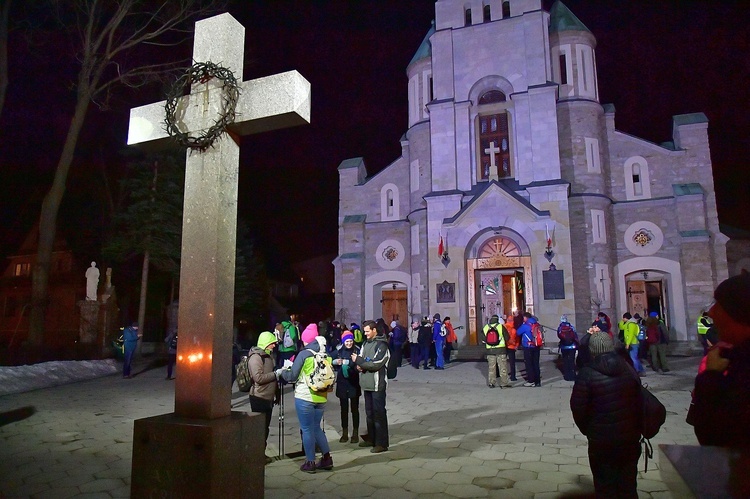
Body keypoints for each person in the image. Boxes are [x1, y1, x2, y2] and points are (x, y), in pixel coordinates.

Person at [570, 332, 642, 497]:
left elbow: (578, 407)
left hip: (601, 439)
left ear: (592, 350)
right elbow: (639, 401)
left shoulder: (587, 373)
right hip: (629, 437)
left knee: (604, 485)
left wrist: (589, 430)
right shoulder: (628, 368)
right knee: (628, 485)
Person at [692, 271, 750, 449]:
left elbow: (716, 434)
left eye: (719, 305)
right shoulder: (737, 357)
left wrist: (711, 377)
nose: (711, 312)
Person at [277, 323, 333, 473]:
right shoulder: (325, 354)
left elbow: (292, 376)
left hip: (305, 396)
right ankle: (327, 458)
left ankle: (310, 462)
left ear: (305, 339)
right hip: (321, 396)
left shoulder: (304, 354)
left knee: (307, 429)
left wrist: (282, 372)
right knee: (317, 428)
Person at [352, 320, 390, 453]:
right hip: (366, 384)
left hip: (377, 385)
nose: (365, 333)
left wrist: (359, 361)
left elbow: (376, 364)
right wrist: (358, 366)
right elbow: (361, 361)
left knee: (379, 414)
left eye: (368, 331)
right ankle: (371, 439)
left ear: (374, 330)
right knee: (369, 413)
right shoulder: (364, 344)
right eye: (365, 331)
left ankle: (381, 443)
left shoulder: (382, 345)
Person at [248, 331, 280, 458]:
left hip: (268, 397)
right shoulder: (256, 357)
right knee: (259, 429)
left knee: (265, 428)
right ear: (266, 343)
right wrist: (276, 374)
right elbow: (258, 378)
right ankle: (256, 454)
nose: (274, 346)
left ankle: (262, 453)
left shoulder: (269, 356)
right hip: (259, 397)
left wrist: (277, 393)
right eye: (272, 343)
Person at [333, 331, 361, 443]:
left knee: (355, 409)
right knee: (343, 410)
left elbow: (360, 363)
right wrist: (335, 361)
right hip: (342, 383)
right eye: (347, 341)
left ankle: (355, 433)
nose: (349, 343)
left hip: (353, 382)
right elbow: (329, 358)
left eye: (350, 341)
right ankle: (344, 433)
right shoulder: (339, 351)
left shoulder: (357, 350)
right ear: (343, 341)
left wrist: (348, 363)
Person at [482, 314, 511, 388]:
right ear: (497, 320)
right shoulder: (501, 327)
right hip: (501, 350)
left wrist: (489, 342)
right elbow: (507, 337)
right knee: (503, 367)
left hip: (490, 351)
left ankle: (491, 383)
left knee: (491, 368)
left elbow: (482, 338)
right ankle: (504, 384)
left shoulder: (485, 327)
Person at [518, 312, 541, 387]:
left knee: (529, 364)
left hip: (528, 347)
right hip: (536, 346)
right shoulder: (537, 324)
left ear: (525, 318)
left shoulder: (526, 325)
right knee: (536, 364)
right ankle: (537, 381)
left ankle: (531, 380)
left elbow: (518, 332)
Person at [557, 315, 578, 381]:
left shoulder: (560, 328)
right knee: (571, 361)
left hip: (564, 346)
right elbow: (575, 335)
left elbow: (559, 336)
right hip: (572, 346)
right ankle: (573, 375)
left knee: (565, 361)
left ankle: (567, 376)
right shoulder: (571, 327)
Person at [504, 315, 520, 381]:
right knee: (512, 362)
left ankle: (502, 375)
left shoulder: (503, 327)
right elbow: (517, 338)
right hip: (512, 347)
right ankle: (513, 376)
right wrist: (516, 345)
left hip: (504, 346)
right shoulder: (514, 329)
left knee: (503, 362)